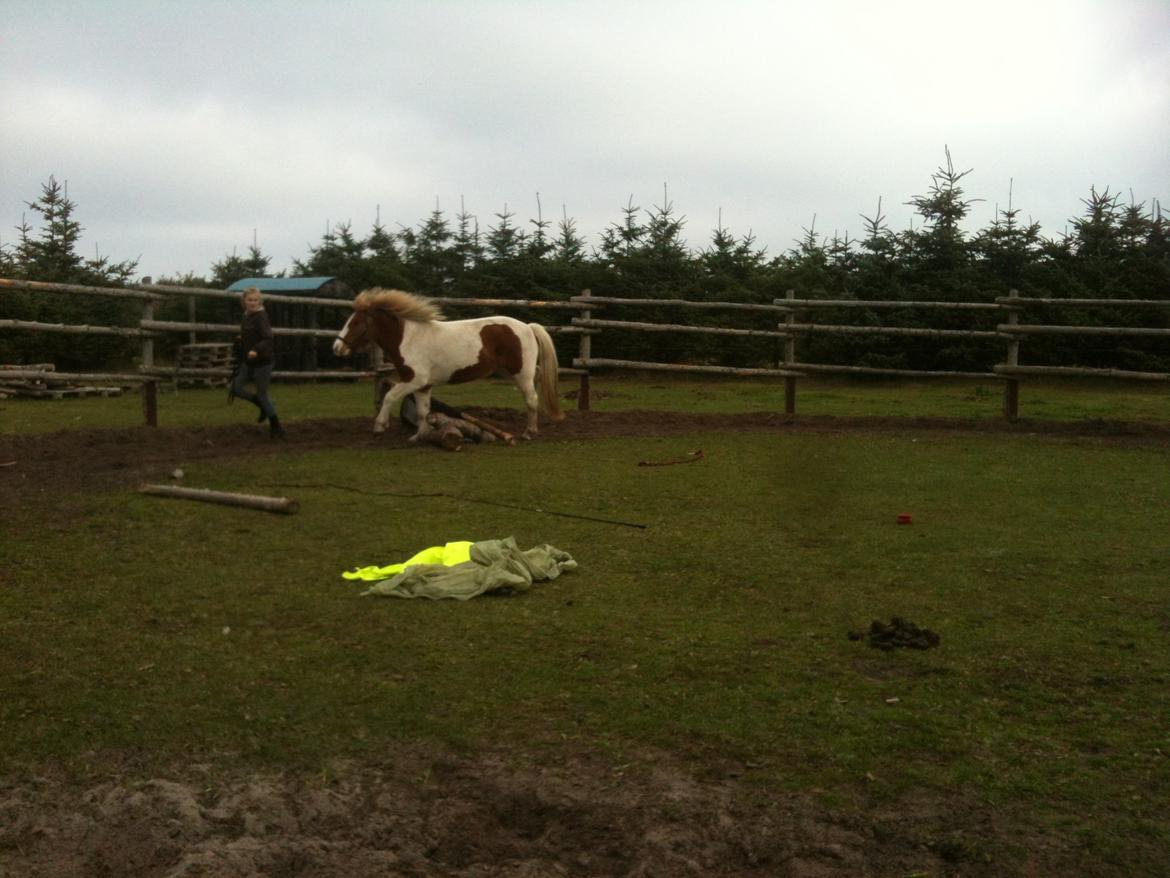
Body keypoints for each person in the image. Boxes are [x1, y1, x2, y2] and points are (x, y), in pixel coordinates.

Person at [230, 287, 285, 438]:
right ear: (244, 301)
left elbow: (268, 338)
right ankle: (263, 406)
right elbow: (250, 333)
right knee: (235, 388)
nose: (252, 303)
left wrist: (255, 349)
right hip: (248, 360)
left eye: (255, 300)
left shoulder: (261, 316)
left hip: (263, 361)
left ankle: (276, 427)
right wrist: (242, 339)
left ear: (259, 301)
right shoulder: (246, 315)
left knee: (262, 393)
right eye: (250, 300)